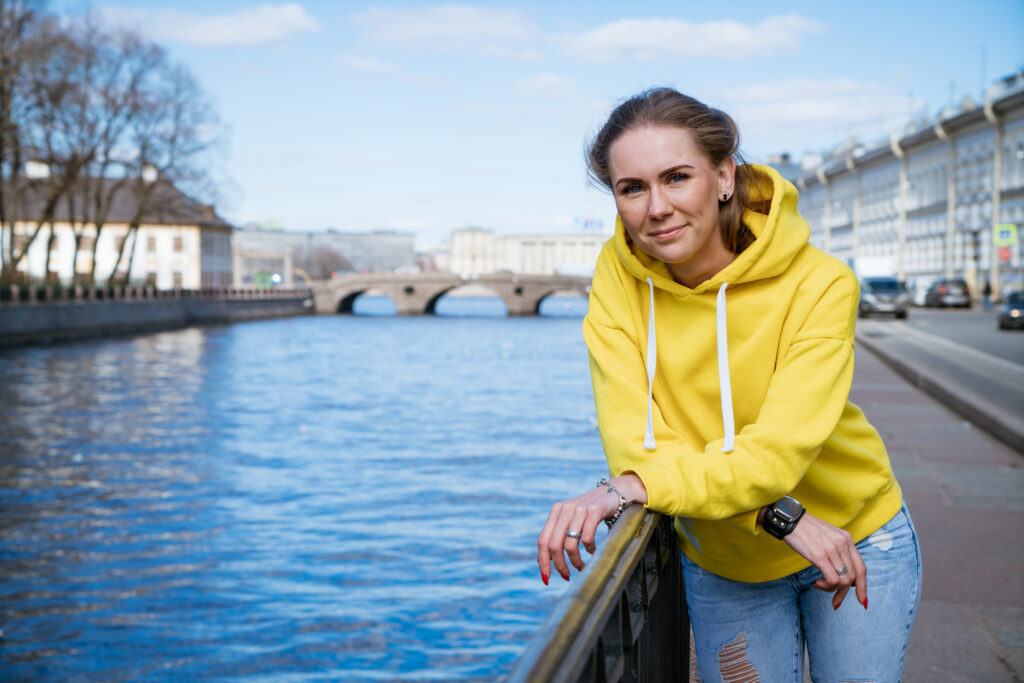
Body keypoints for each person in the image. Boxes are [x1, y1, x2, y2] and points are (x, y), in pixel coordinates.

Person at [536, 88, 922, 683]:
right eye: (632, 187)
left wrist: (631, 488)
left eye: (677, 177)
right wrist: (782, 518)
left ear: (723, 176)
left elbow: (775, 454)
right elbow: (638, 451)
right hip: (727, 559)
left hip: (856, 534)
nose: (656, 207)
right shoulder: (616, 283)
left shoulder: (821, 284)